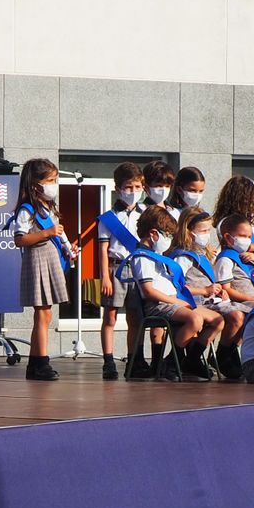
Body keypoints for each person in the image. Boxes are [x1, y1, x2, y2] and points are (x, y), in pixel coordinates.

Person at [128, 206, 222, 381]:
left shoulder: (157, 255)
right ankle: (172, 362)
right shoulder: (142, 257)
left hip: (173, 302)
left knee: (218, 320)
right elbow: (149, 292)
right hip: (158, 305)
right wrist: (178, 302)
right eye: (168, 235)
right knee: (195, 319)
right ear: (154, 234)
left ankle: (190, 360)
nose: (170, 239)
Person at [12, 157, 73, 381]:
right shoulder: (27, 209)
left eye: (55, 180)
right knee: (42, 313)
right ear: (35, 184)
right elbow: (20, 239)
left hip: (50, 258)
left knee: (46, 314)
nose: (54, 185)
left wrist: (68, 248)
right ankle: (41, 362)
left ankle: (35, 363)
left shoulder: (49, 208)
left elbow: (59, 234)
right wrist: (47, 233)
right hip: (37, 260)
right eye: (50, 180)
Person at [170, 208, 245, 378]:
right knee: (234, 317)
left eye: (208, 231)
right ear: (188, 232)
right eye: (202, 231)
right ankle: (195, 358)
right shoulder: (183, 257)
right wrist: (205, 290)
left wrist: (218, 291)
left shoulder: (203, 254)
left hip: (209, 301)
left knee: (244, 314)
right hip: (193, 302)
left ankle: (218, 354)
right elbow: (177, 287)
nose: (206, 235)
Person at [95, 161, 144, 380]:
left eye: (137, 187)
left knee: (135, 317)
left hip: (140, 269)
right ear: (118, 188)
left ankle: (133, 359)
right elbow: (103, 249)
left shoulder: (147, 214)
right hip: (116, 269)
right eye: (128, 187)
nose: (133, 192)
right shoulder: (108, 218)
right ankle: (108, 360)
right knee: (111, 317)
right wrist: (105, 276)